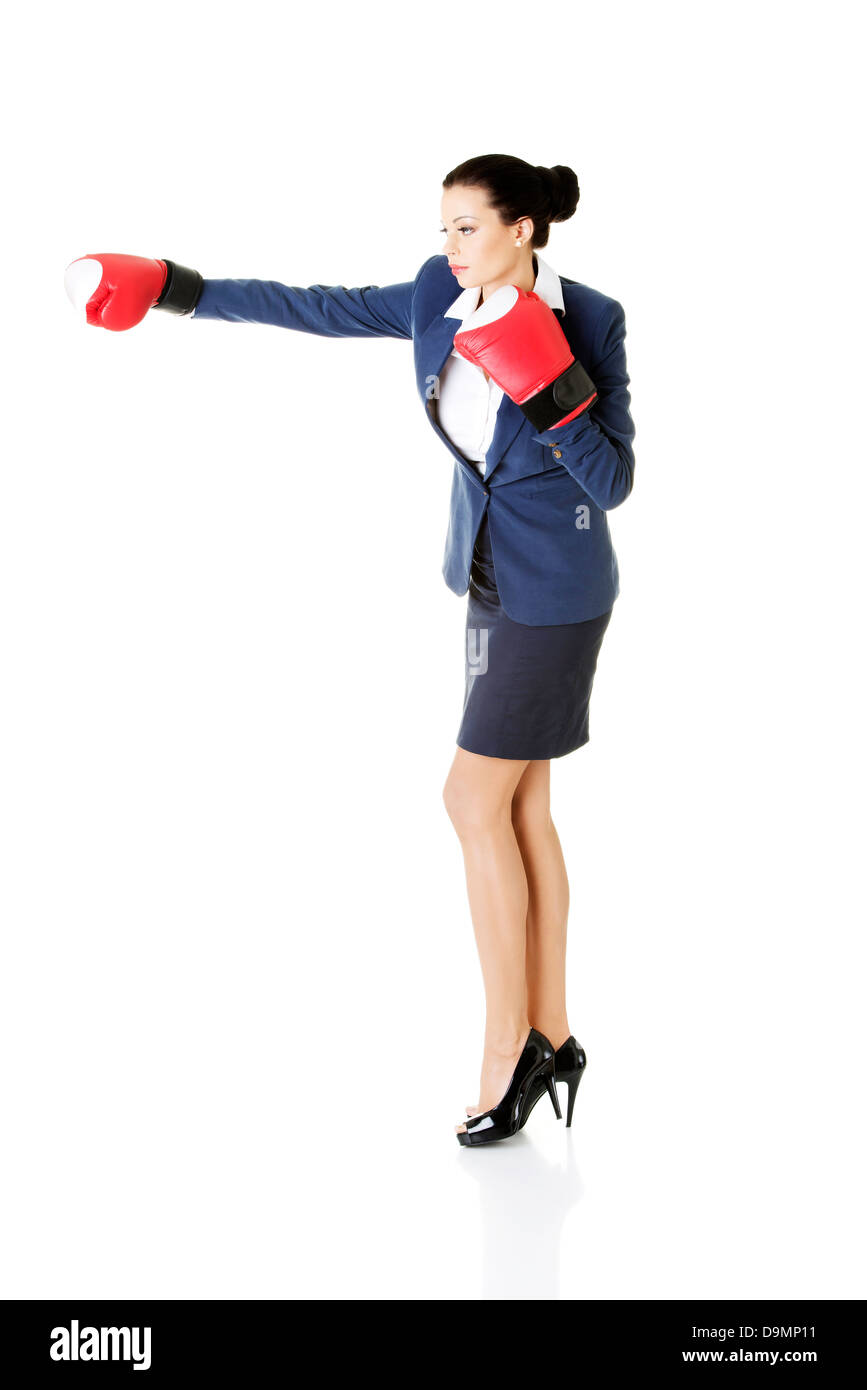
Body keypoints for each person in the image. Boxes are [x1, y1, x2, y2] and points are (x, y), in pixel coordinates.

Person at [64, 152, 636, 1147]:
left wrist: (549, 380)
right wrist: (177, 288)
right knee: (522, 804)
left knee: (469, 800)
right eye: (443, 227)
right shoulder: (432, 295)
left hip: (560, 595)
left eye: (467, 227)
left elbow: (614, 479)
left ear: (524, 231)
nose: (448, 246)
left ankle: (511, 1048)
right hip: (491, 577)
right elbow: (318, 305)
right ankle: (558, 1032)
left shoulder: (591, 318)